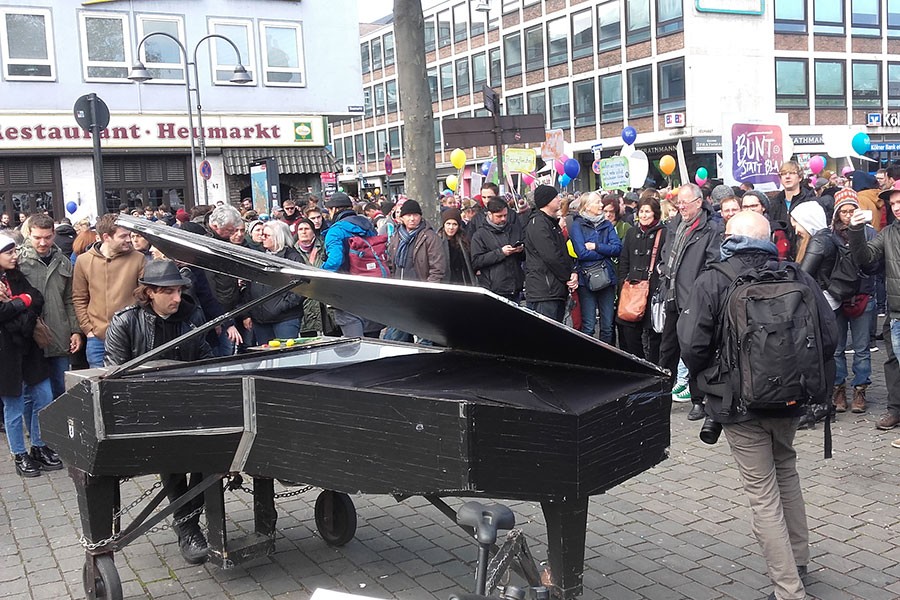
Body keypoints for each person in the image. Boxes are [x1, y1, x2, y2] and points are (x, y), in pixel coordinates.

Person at [678, 211, 837, 600]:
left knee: (762, 494)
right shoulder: (795, 274)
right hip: (791, 398)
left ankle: (788, 590)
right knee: (787, 473)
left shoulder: (714, 278)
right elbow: (830, 336)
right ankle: (798, 562)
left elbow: (692, 346)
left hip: (738, 404)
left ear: (729, 237)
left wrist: (706, 382)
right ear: (768, 239)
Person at [104, 260, 213, 565]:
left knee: (217, 453)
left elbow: (207, 361)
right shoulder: (125, 321)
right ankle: (189, 526)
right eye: (168, 291)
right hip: (148, 410)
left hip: (190, 405)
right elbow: (116, 376)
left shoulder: (191, 319)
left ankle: (189, 519)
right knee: (173, 459)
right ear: (149, 292)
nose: (176, 298)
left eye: (179, 290)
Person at [800, 190, 878, 422]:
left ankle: (860, 390)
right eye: (843, 211)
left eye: (852, 210)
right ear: (836, 214)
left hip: (864, 296)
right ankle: (838, 389)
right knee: (837, 347)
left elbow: (874, 265)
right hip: (836, 297)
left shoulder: (870, 232)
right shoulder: (829, 236)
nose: (847, 215)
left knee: (862, 348)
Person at [657, 183, 723, 421]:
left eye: (685, 202)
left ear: (699, 202)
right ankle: (659, 397)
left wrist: (698, 289)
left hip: (693, 299)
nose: (681, 206)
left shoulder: (711, 228)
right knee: (667, 350)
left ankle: (698, 399)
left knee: (693, 351)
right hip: (672, 296)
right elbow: (667, 252)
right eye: (679, 203)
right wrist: (663, 269)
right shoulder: (675, 223)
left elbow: (712, 262)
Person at [0, 233, 63, 477]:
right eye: (9, 252)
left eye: (15, 251)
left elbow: (37, 298)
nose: (15, 256)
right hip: (6, 353)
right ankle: (19, 453)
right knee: (13, 407)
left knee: (44, 396)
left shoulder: (16, 276)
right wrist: (21, 304)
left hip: (29, 348)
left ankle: (39, 445)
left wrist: (18, 302)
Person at [848, 181, 900, 442]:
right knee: (892, 363)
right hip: (896, 311)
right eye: (893, 204)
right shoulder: (888, 233)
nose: (897, 207)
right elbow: (866, 259)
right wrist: (856, 230)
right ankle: (895, 410)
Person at [17, 214, 82, 399]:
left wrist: (75, 331)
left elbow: (70, 299)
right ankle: (35, 429)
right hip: (29, 335)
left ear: (54, 234)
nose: (43, 243)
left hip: (58, 334)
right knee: (32, 393)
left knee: (61, 389)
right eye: (37, 237)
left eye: (47, 237)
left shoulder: (63, 261)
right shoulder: (19, 261)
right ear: (29, 234)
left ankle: (58, 428)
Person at [72, 213, 145, 368]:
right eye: (123, 236)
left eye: (129, 235)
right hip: (97, 338)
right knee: (100, 386)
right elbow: (79, 298)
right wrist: (88, 329)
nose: (129, 240)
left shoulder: (138, 259)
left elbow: (144, 296)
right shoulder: (83, 261)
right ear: (106, 237)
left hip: (130, 335)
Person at [322, 192, 383, 337]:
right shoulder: (368, 226)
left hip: (347, 293)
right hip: (372, 288)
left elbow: (335, 260)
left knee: (356, 345)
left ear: (334, 210)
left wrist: (319, 272)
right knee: (373, 343)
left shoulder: (336, 231)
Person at [616, 197, 666, 362]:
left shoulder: (663, 233)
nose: (643, 215)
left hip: (653, 289)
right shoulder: (632, 232)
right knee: (630, 330)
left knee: (654, 332)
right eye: (641, 211)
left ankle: (653, 366)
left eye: (647, 211)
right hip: (633, 287)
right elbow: (624, 261)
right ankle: (639, 363)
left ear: (655, 213)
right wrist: (623, 283)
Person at [242, 221, 305, 343]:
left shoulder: (293, 258)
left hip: (285, 318)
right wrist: (248, 312)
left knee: (286, 356)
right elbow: (250, 285)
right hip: (260, 318)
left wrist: (282, 306)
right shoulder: (259, 255)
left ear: (277, 237)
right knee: (266, 357)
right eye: (262, 234)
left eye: (266, 235)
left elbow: (301, 287)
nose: (262, 238)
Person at [570, 192, 621, 343]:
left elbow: (618, 248)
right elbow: (582, 253)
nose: (601, 205)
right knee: (589, 326)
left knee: (607, 326)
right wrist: (605, 252)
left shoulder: (607, 224)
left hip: (607, 278)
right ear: (587, 206)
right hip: (586, 279)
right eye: (598, 202)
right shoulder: (577, 225)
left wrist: (596, 246)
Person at [523, 185, 578, 322]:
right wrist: (567, 277)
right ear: (547, 201)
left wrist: (572, 271)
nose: (560, 199)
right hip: (544, 292)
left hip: (553, 289)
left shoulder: (550, 222)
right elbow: (551, 256)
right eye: (556, 197)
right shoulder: (539, 224)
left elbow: (562, 252)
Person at [469, 197, 525, 302]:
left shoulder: (514, 229)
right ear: (489, 215)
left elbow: (524, 257)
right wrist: (501, 253)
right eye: (499, 216)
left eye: (505, 215)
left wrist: (520, 250)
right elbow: (476, 261)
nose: (503, 219)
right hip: (494, 289)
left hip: (515, 287)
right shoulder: (480, 235)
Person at [438, 208, 476, 285]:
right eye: (448, 224)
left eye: (454, 224)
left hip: (462, 282)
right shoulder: (437, 241)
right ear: (443, 225)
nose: (451, 228)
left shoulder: (464, 241)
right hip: (445, 283)